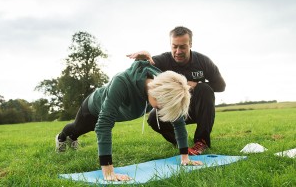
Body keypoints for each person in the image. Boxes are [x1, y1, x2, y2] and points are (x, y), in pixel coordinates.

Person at [55, 60, 203, 181]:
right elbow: (104, 124)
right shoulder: (122, 82)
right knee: (76, 129)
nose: (162, 109)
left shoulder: (166, 86)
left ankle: (73, 138)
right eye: (162, 106)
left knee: (82, 130)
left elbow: (178, 122)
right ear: (156, 94)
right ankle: (62, 138)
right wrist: (108, 172)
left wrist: (185, 157)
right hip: (93, 108)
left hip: (112, 112)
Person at [127, 26, 226, 155]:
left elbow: (221, 86)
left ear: (190, 44)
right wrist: (141, 58)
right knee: (152, 118)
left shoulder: (203, 61)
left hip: (196, 110)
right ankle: (179, 142)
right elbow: (139, 71)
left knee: (205, 89)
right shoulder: (162, 60)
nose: (178, 51)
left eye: (183, 47)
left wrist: (196, 84)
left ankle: (201, 141)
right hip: (173, 109)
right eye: (174, 46)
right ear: (170, 45)